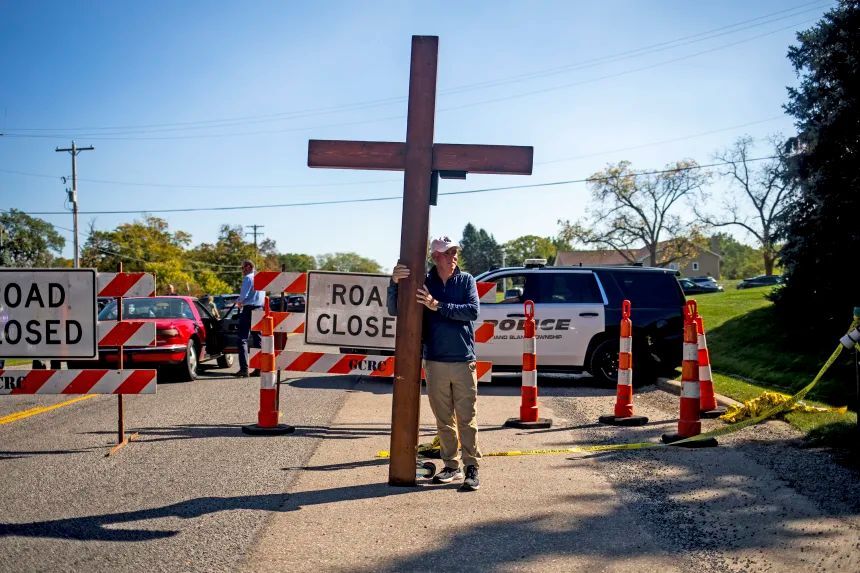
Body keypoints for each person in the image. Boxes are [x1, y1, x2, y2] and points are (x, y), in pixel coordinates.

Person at [387, 236, 482, 491]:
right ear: (435, 257)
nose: (453, 256)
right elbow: (395, 309)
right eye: (448, 252)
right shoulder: (424, 282)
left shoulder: (466, 280)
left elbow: (472, 311)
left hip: (463, 360)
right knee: (444, 420)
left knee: (467, 418)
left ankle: (472, 468)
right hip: (435, 361)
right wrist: (394, 282)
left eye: (454, 252)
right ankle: (451, 466)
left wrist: (438, 305)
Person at [235, 260, 265, 378]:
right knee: (258, 339)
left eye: (243, 268)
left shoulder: (248, 278)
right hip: (259, 308)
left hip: (249, 309)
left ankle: (244, 369)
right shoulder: (260, 278)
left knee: (242, 338)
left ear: (248, 267)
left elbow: (243, 295)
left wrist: (238, 302)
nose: (242, 270)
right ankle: (258, 369)